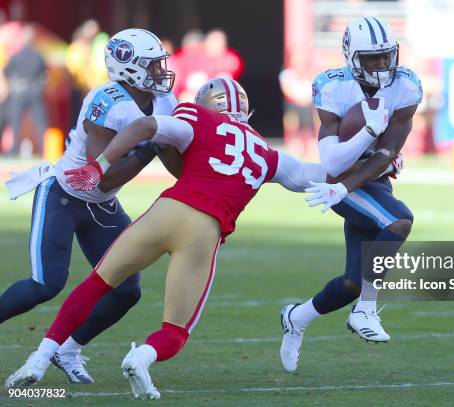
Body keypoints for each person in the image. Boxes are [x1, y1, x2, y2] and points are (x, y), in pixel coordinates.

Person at [5, 77, 326, 399]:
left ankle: (41, 356)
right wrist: (368, 164)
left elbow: (145, 126)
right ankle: (140, 357)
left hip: (165, 211)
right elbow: (313, 175)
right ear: (246, 111)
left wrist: (100, 165)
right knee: (174, 332)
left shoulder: (195, 117)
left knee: (97, 284)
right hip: (203, 231)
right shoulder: (269, 154)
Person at [0, 28, 178, 384]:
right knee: (46, 284)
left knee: (127, 290)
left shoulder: (164, 101)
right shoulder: (107, 100)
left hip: (102, 207)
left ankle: (67, 349)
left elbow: (174, 162)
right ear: (128, 68)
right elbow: (103, 177)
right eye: (152, 64)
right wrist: (152, 146)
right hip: (64, 195)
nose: (161, 71)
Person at [279, 16, 422, 373]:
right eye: (370, 57)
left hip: (366, 181)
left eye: (385, 56)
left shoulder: (406, 86)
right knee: (399, 221)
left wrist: (352, 180)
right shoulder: (332, 87)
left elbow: (386, 154)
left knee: (351, 283)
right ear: (350, 56)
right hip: (336, 179)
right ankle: (367, 310)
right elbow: (332, 159)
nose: (380, 64)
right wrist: (364, 137)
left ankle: (297, 317)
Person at [4, 25, 47, 155]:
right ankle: (43, 150)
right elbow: (44, 75)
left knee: (15, 122)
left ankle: (13, 151)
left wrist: (12, 84)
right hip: (34, 91)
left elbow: (7, 72)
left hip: (19, 91)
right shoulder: (38, 56)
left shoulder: (16, 56)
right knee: (40, 123)